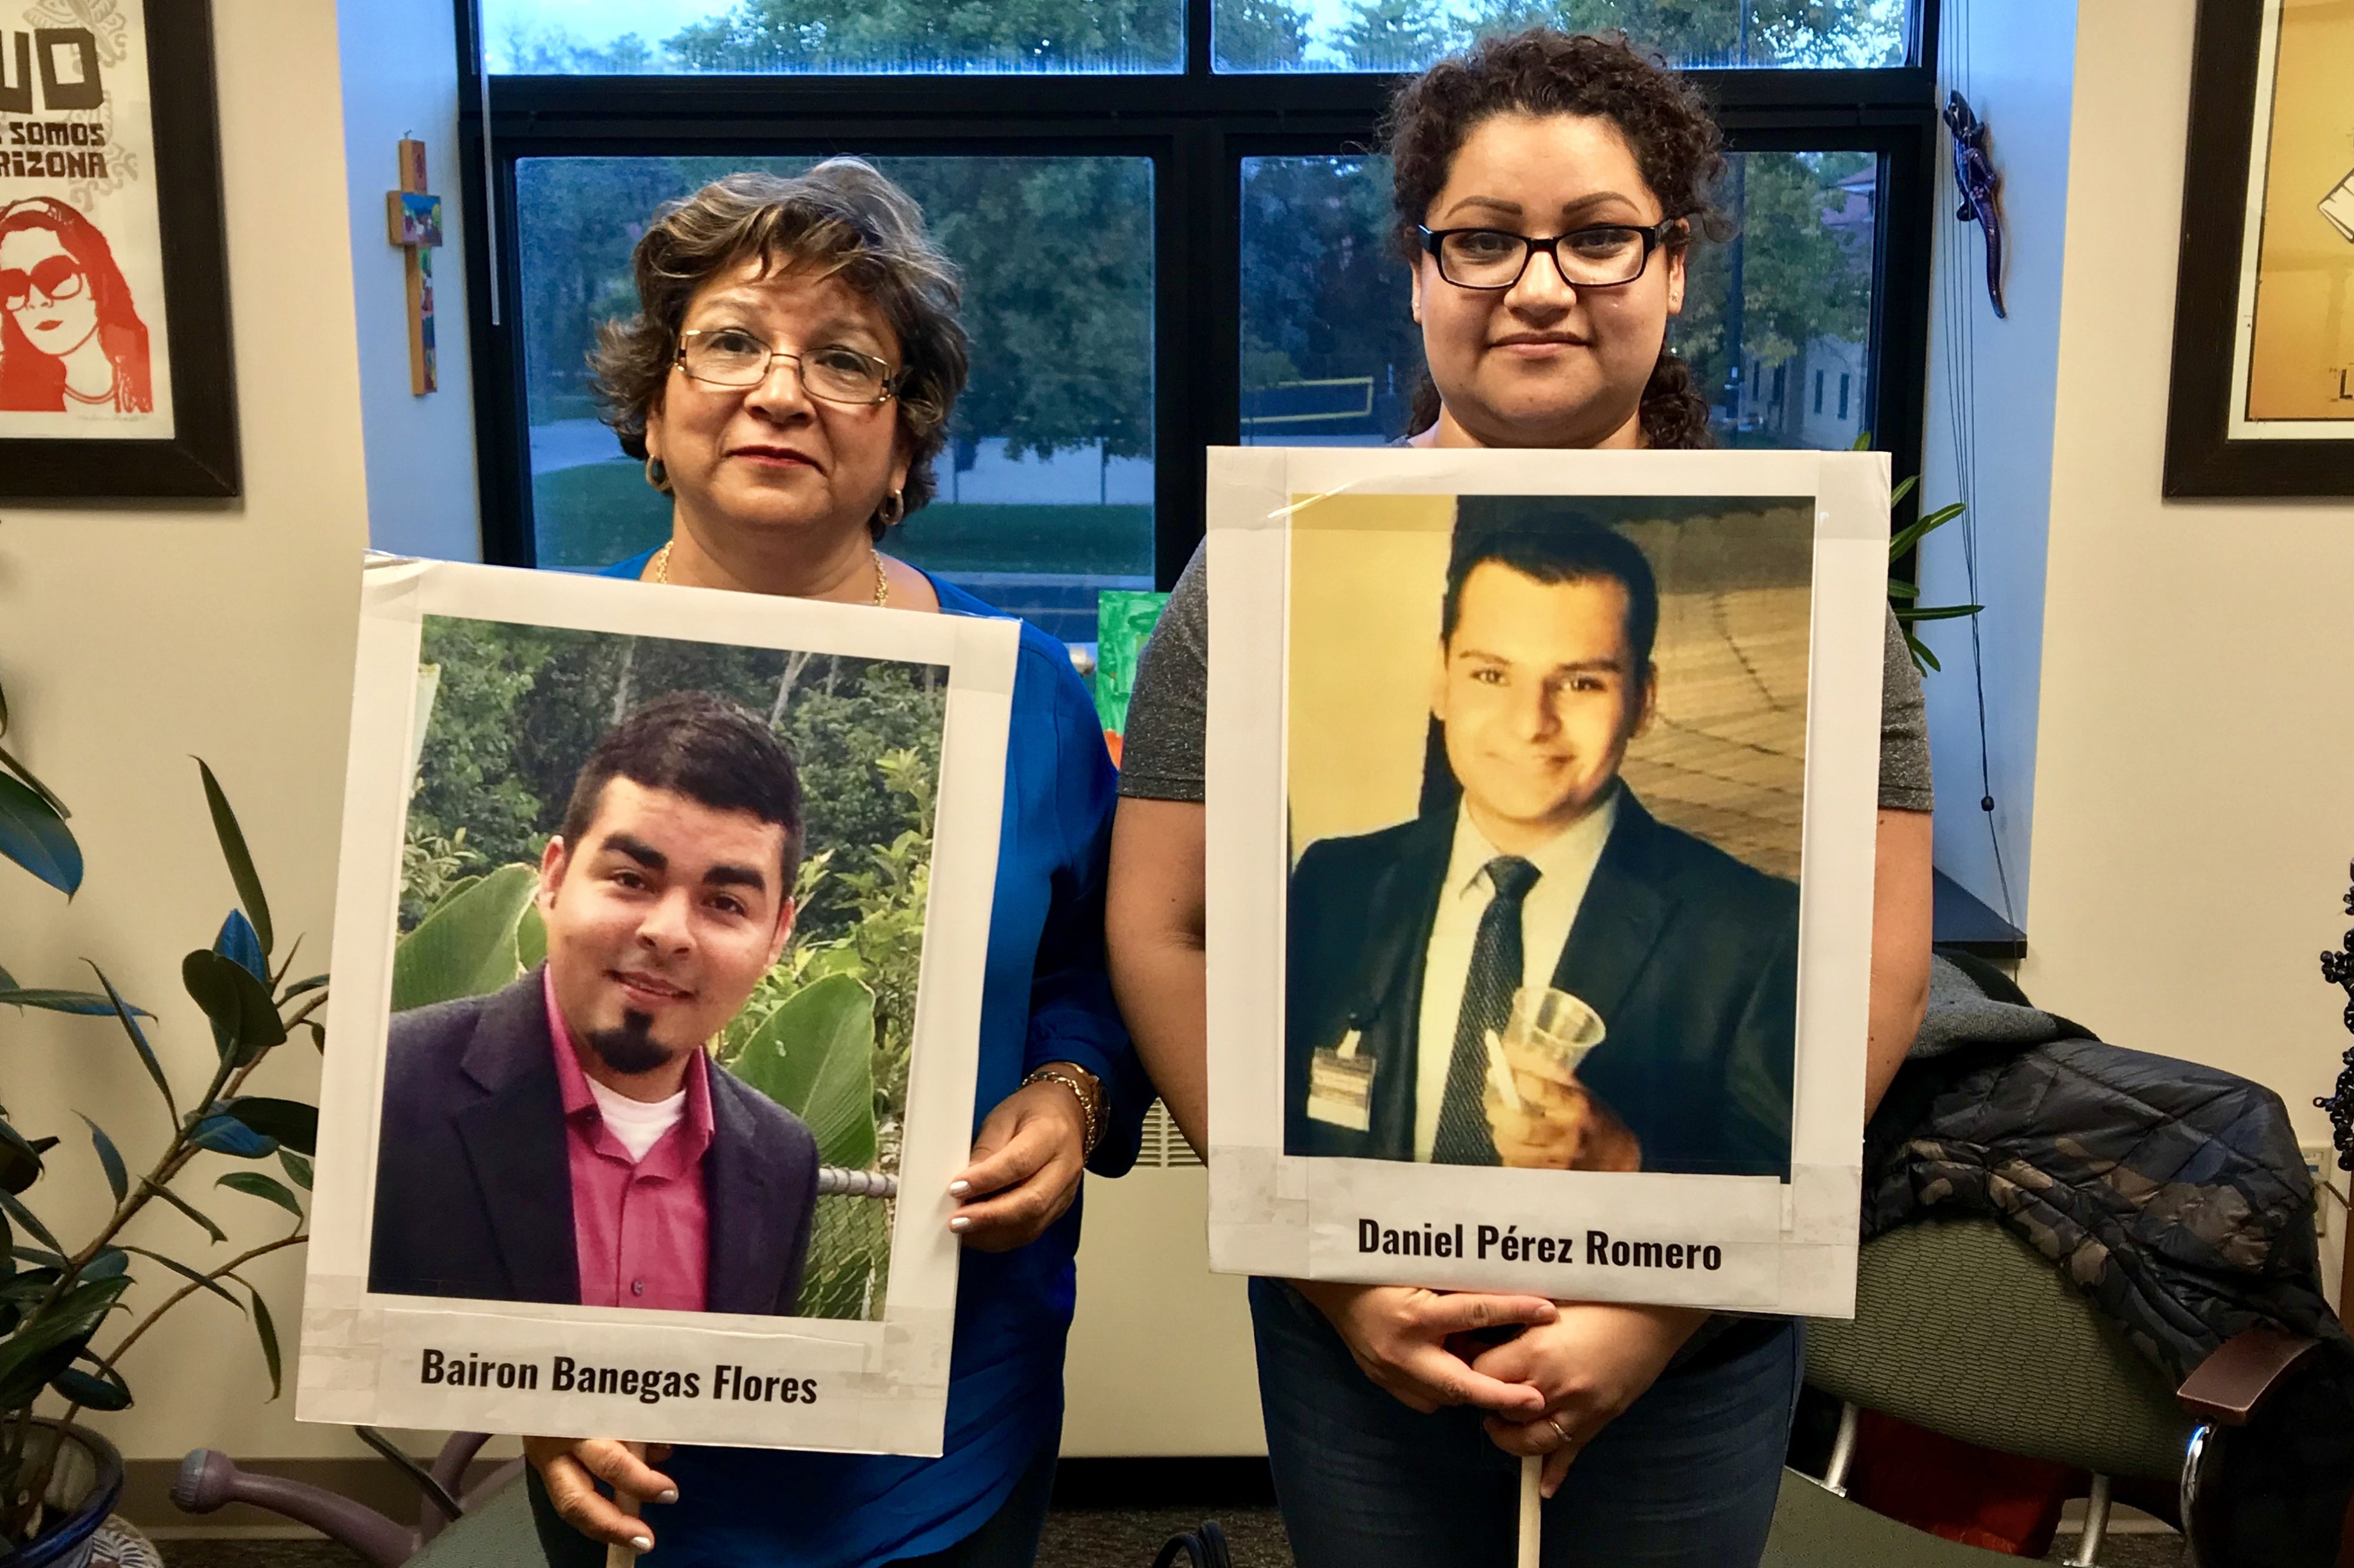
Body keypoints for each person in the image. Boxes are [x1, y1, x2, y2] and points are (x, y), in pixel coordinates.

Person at [1106, 28, 1935, 1568]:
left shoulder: (1832, 598)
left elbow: (1878, 971)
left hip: (1695, 1337)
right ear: (1418, 268)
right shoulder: (1254, 579)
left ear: (1676, 266)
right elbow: (1165, 929)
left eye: (1600, 238)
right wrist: (1331, 1282)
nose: (1540, 285)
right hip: (1353, 1321)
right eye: (1484, 240)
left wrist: (1664, 1306)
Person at [523, 161, 1148, 1568]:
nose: (781, 389)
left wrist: (1067, 1091)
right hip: (621, 1427)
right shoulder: (541, 672)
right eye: (731, 340)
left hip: (942, 1413)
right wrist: (496, 1358)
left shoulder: (1022, 696)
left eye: (846, 361)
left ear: (908, 445)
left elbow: (1085, 970)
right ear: (652, 412)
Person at [1286, 514, 1796, 1178]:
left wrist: (1628, 1164)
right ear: (1441, 680)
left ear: (1644, 699)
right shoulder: (1335, 884)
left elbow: (1785, 1205)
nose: (1530, 723)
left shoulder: (1752, 933)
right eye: (1491, 676)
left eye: (1582, 682)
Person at [370, 691, 820, 1316]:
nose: (668, 932)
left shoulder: (781, 1161)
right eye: (632, 880)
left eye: (725, 903)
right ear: (553, 878)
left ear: (776, 936)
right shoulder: (386, 1089)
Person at [0, 197, 153, 414]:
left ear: (97, 280)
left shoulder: (154, 364)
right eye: (13, 285)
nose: (36, 301)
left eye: (56, 276)